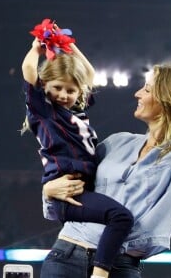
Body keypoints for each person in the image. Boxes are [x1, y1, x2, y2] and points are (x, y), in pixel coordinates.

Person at [41, 63, 171, 278]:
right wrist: (49, 192)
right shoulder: (116, 142)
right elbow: (71, 197)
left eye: (147, 89)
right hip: (65, 257)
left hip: (119, 266)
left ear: (169, 100)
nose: (137, 93)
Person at [21, 26, 134, 278]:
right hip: (66, 192)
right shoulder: (45, 111)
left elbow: (89, 74)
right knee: (121, 217)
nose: (64, 95)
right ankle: (101, 273)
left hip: (82, 189)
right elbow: (29, 71)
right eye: (58, 88)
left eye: (71, 91)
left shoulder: (77, 112)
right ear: (45, 87)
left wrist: (68, 46)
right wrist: (36, 49)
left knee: (120, 216)